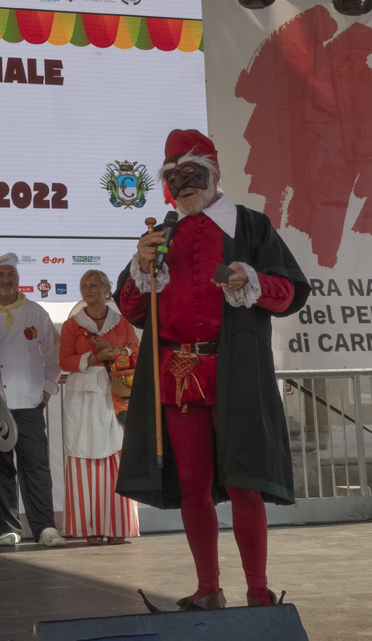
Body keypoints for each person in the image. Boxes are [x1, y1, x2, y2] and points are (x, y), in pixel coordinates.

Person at [116, 129, 309, 611]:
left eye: (192, 174)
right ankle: (208, 588)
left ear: (214, 173)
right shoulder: (160, 237)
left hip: (236, 373)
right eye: (174, 178)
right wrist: (142, 265)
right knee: (192, 486)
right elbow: (134, 309)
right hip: (177, 375)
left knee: (245, 482)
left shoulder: (251, 227)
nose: (183, 185)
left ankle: (259, 591)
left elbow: (289, 292)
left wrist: (255, 279)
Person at [0, 253, 65, 548]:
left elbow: (53, 355)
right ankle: (6, 527)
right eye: (0, 275)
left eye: (11, 274)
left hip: (29, 402)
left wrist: (47, 389)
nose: (7, 279)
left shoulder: (36, 311)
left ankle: (45, 527)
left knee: (36, 466)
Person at [59, 270, 141, 546]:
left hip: (115, 394)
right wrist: (95, 356)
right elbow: (65, 361)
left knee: (117, 454)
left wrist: (116, 354)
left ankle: (118, 526)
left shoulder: (122, 322)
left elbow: (137, 353)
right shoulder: (72, 325)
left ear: (107, 289)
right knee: (83, 454)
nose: (88, 289)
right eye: (84, 285)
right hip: (82, 397)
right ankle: (89, 528)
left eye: (94, 285)